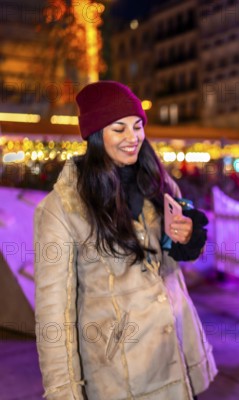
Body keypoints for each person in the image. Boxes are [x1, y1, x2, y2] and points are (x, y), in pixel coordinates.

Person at [34, 81, 217, 400]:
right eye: (119, 129)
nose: (133, 138)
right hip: (120, 376)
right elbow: (54, 314)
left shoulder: (157, 181)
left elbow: (180, 255)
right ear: (95, 136)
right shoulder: (62, 207)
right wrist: (64, 392)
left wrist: (188, 236)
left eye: (137, 126)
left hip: (175, 355)